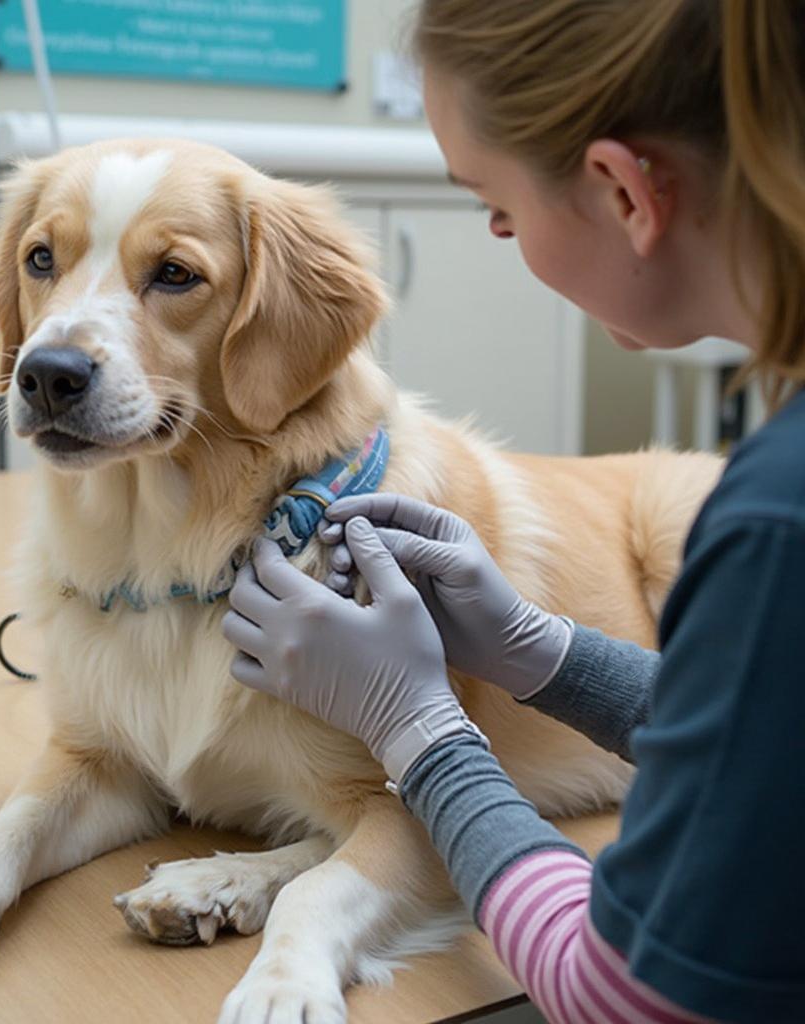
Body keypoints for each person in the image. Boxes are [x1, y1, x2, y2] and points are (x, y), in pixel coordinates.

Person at [220, 2, 805, 1022]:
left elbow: (623, 994)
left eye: (495, 208)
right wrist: (541, 652)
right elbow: (773, 733)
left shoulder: (771, 522)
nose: (501, 237)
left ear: (625, 192)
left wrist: (419, 730)